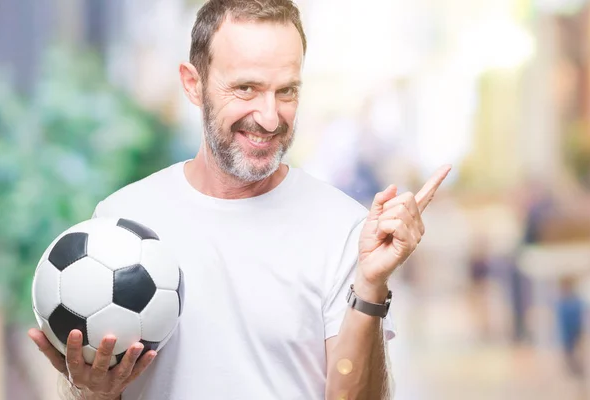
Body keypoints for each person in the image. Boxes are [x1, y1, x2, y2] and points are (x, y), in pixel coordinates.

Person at [28, 1, 450, 399]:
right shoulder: (121, 222)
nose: (269, 118)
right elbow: (97, 390)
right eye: (246, 88)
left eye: (286, 91)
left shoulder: (344, 228)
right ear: (193, 84)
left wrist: (371, 285)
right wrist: (91, 391)